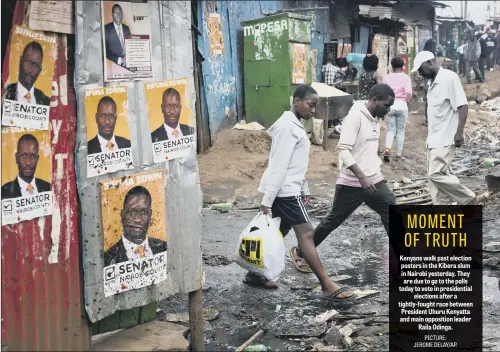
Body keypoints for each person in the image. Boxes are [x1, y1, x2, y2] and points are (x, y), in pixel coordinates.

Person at [244, 84, 354, 300]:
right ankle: (326, 283)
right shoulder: (287, 127)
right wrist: (267, 199)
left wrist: (304, 187)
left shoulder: (293, 125)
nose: (313, 110)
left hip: (288, 188)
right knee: (307, 233)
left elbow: (295, 163)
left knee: (279, 231)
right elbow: (278, 165)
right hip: (285, 191)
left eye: (315, 106)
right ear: (297, 101)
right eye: (310, 105)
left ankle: (254, 275)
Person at [296, 84, 409, 280]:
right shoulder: (355, 117)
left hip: (374, 181)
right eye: (386, 105)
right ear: (374, 100)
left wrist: (374, 169)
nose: (388, 110)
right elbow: (344, 150)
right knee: (333, 220)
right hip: (351, 183)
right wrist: (361, 177)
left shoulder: (375, 118)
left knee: (391, 211)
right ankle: (300, 252)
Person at [412, 51, 489, 205]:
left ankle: (470, 199)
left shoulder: (449, 78)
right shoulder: (430, 83)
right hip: (433, 139)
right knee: (434, 183)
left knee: (435, 174)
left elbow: (462, 106)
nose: (420, 73)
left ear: (429, 62)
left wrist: (459, 133)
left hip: (446, 137)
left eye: (420, 69)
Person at [104, 186, 167, 266]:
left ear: (150, 215)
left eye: (144, 212)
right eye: (131, 212)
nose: (137, 219)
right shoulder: (107, 259)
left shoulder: (165, 248)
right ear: (122, 215)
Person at [1, 134, 51, 199]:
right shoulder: (3, 193)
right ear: (17, 158)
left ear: (37, 159)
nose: (28, 162)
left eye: (33, 156)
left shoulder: (49, 189)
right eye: (24, 156)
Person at [383, 57, 412, 162]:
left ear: (392, 66)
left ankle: (387, 149)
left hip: (390, 105)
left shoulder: (387, 77)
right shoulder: (406, 77)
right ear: (402, 66)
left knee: (390, 130)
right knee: (400, 131)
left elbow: (384, 91)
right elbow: (408, 92)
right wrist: (406, 100)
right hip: (402, 105)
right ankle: (399, 155)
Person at [5, 41, 50, 106]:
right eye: (27, 61)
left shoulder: (46, 101)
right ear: (20, 61)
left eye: (35, 65)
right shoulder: (5, 92)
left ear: (40, 70)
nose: (30, 69)